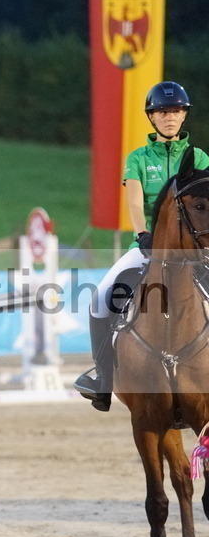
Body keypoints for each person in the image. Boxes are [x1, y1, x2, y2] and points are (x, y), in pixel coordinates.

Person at [75, 81, 209, 410]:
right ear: (151, 116)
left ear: (184, 115)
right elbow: (135, 202)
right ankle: (102, 378)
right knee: (101, 299)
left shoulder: (200, 157)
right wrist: (142, 234)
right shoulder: (137, 158)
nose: (170, 117)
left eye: (176, 111)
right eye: (163, 112)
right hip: (148, 245)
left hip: (193, 249)